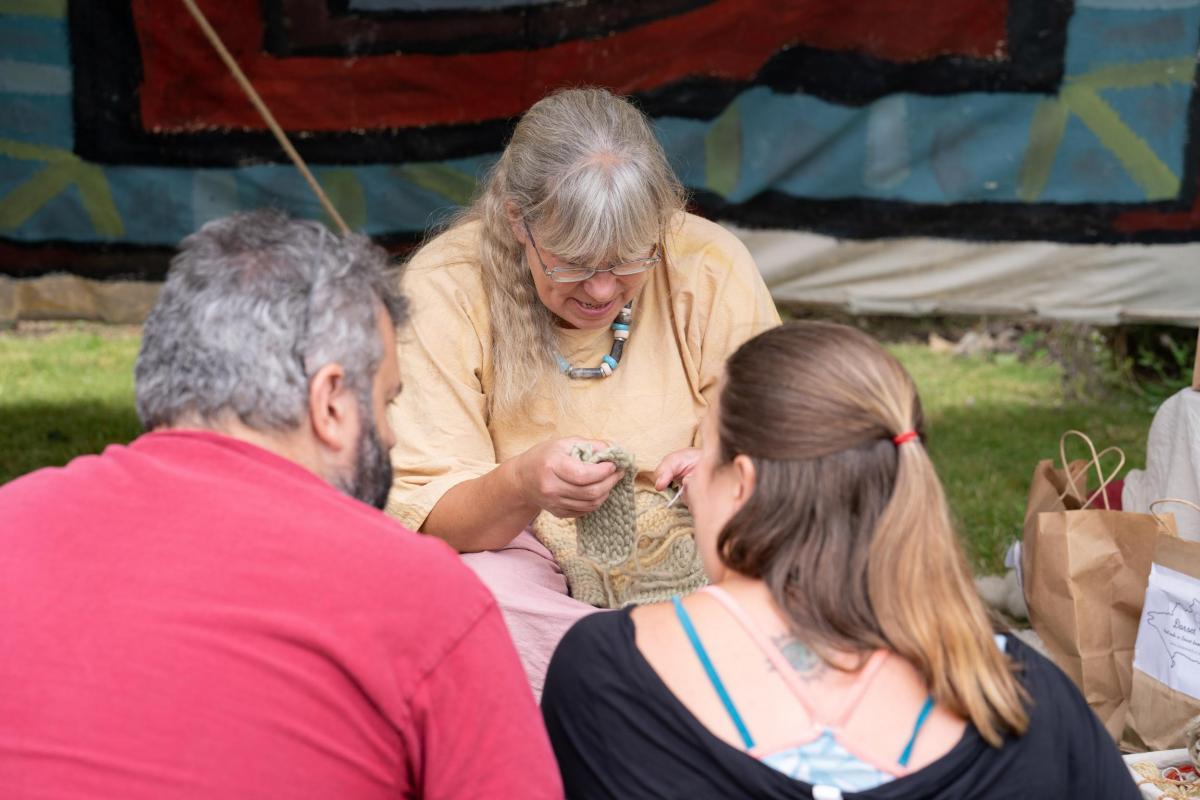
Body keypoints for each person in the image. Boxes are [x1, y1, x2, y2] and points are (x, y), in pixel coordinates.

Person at [0, 210, 562, 799]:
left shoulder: (12, 521)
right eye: (387, 401)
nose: (392, 437)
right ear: (331, 403)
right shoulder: (427, 598)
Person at [541, 321, 1140, 799]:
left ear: (743, 483)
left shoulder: (606, 675)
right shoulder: (1027, 700)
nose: (692, 483)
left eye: (708, 449)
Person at [386, 88, 780, 695]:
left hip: (698, 545)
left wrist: (720, 473)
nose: (601, 291)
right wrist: (521, 483)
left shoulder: (708, 263)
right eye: (572, 262)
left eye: (628, 260)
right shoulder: (445, 287)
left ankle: (603, 680)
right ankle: (670, 678)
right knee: (472, 600)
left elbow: (782, 448)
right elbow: (431, 519)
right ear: (519, 221)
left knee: (821, 557)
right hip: (528, 557)